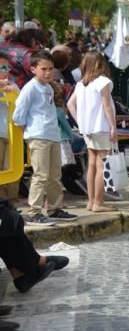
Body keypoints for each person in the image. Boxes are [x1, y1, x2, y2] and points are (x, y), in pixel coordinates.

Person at [12, 51, 76, 224]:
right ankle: (34, 211)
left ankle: (55, 208)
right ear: (33, 69)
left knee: (55, 175)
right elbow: (18, 115)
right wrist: (31, 129)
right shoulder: (30, 88)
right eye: (43, 69)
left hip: (52, 134)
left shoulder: (48, 87)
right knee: (40, 175)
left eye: (50, 69)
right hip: (38, 135)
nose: (48, 73)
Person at [66, 52, 117, 212]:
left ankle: (91, 201)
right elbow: (107, 106)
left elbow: (70, 104)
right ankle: (98, 202)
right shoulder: (103, 82)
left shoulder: (81, 83)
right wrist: (113, 126)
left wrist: (80, 121)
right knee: (101, 165)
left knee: (92, 164)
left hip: (88, 128)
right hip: (101, 126)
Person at [0, 51, 21, 204]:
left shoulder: (12, 85)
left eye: (6, 68)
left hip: (13, 134)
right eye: (1, 67)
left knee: (13, 170)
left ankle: (11, 204)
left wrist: (13, 91)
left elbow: (22, 103)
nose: (5, 71)